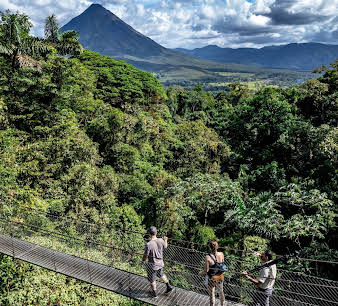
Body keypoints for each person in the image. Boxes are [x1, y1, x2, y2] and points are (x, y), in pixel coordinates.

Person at [142, 226, 172, 298]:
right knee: (161, 274)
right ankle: (168, 286)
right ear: (156, 233)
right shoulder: (161, 240)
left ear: (149, 233)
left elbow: (145, 255)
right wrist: (165, 240)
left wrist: (143, 261)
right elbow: (165, 246)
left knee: (152, 279)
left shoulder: (148, 244)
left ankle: (154, 294)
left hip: (152, 265)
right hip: (160, 263)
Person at [201, 241, 226, 306]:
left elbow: (206, 270)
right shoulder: (221, 254)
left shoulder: (208, 257)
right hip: (220, 276)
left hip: (212, 278)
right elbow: (222, 264)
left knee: (212, 294)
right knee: (221, 292)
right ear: (217, 247)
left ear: (210, 247)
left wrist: (200, 273)